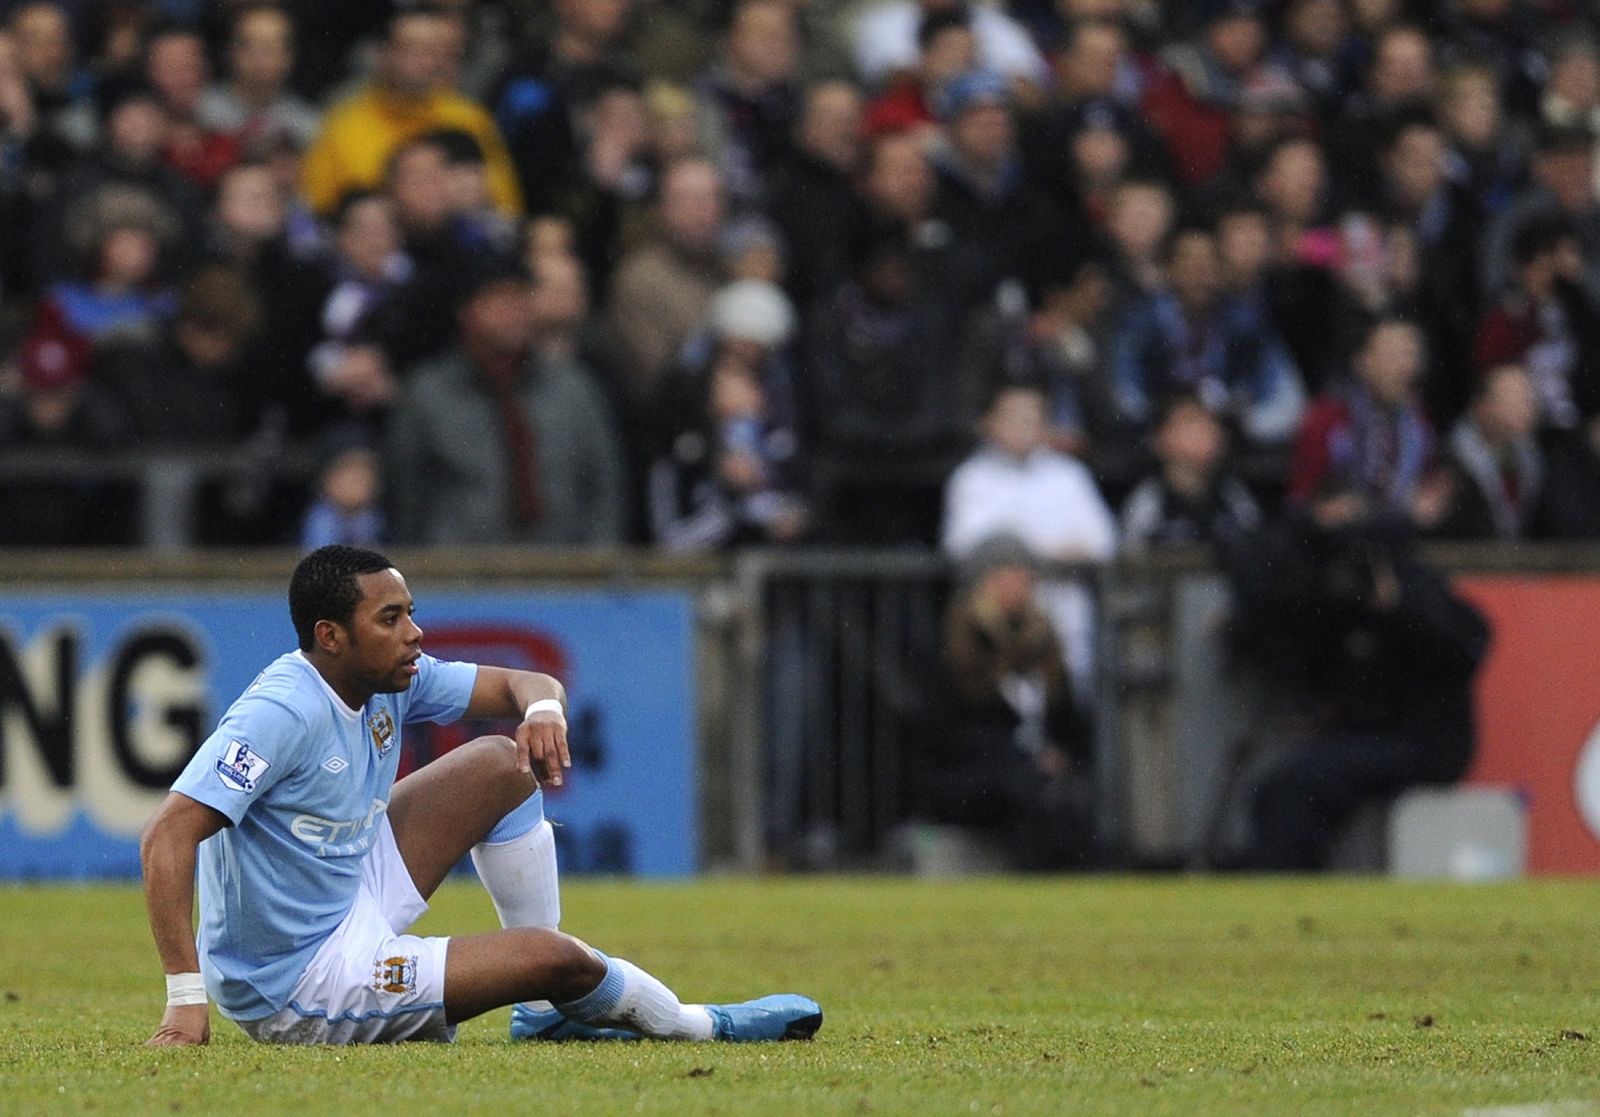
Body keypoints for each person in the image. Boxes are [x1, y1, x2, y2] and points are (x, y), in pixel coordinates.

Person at [140, 544, 823, 1046]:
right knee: (552, 960)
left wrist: (545, 713)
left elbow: (525, 685)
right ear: (331, 635)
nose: (415, 634)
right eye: (391, 618)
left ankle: (548, 1014)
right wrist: (184, 998)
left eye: (411, 612)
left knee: (505, 760)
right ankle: (700, 1025)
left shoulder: (390, 677)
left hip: (349, 891)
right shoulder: (281, 712)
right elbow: (169, 833)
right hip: (298, 978)